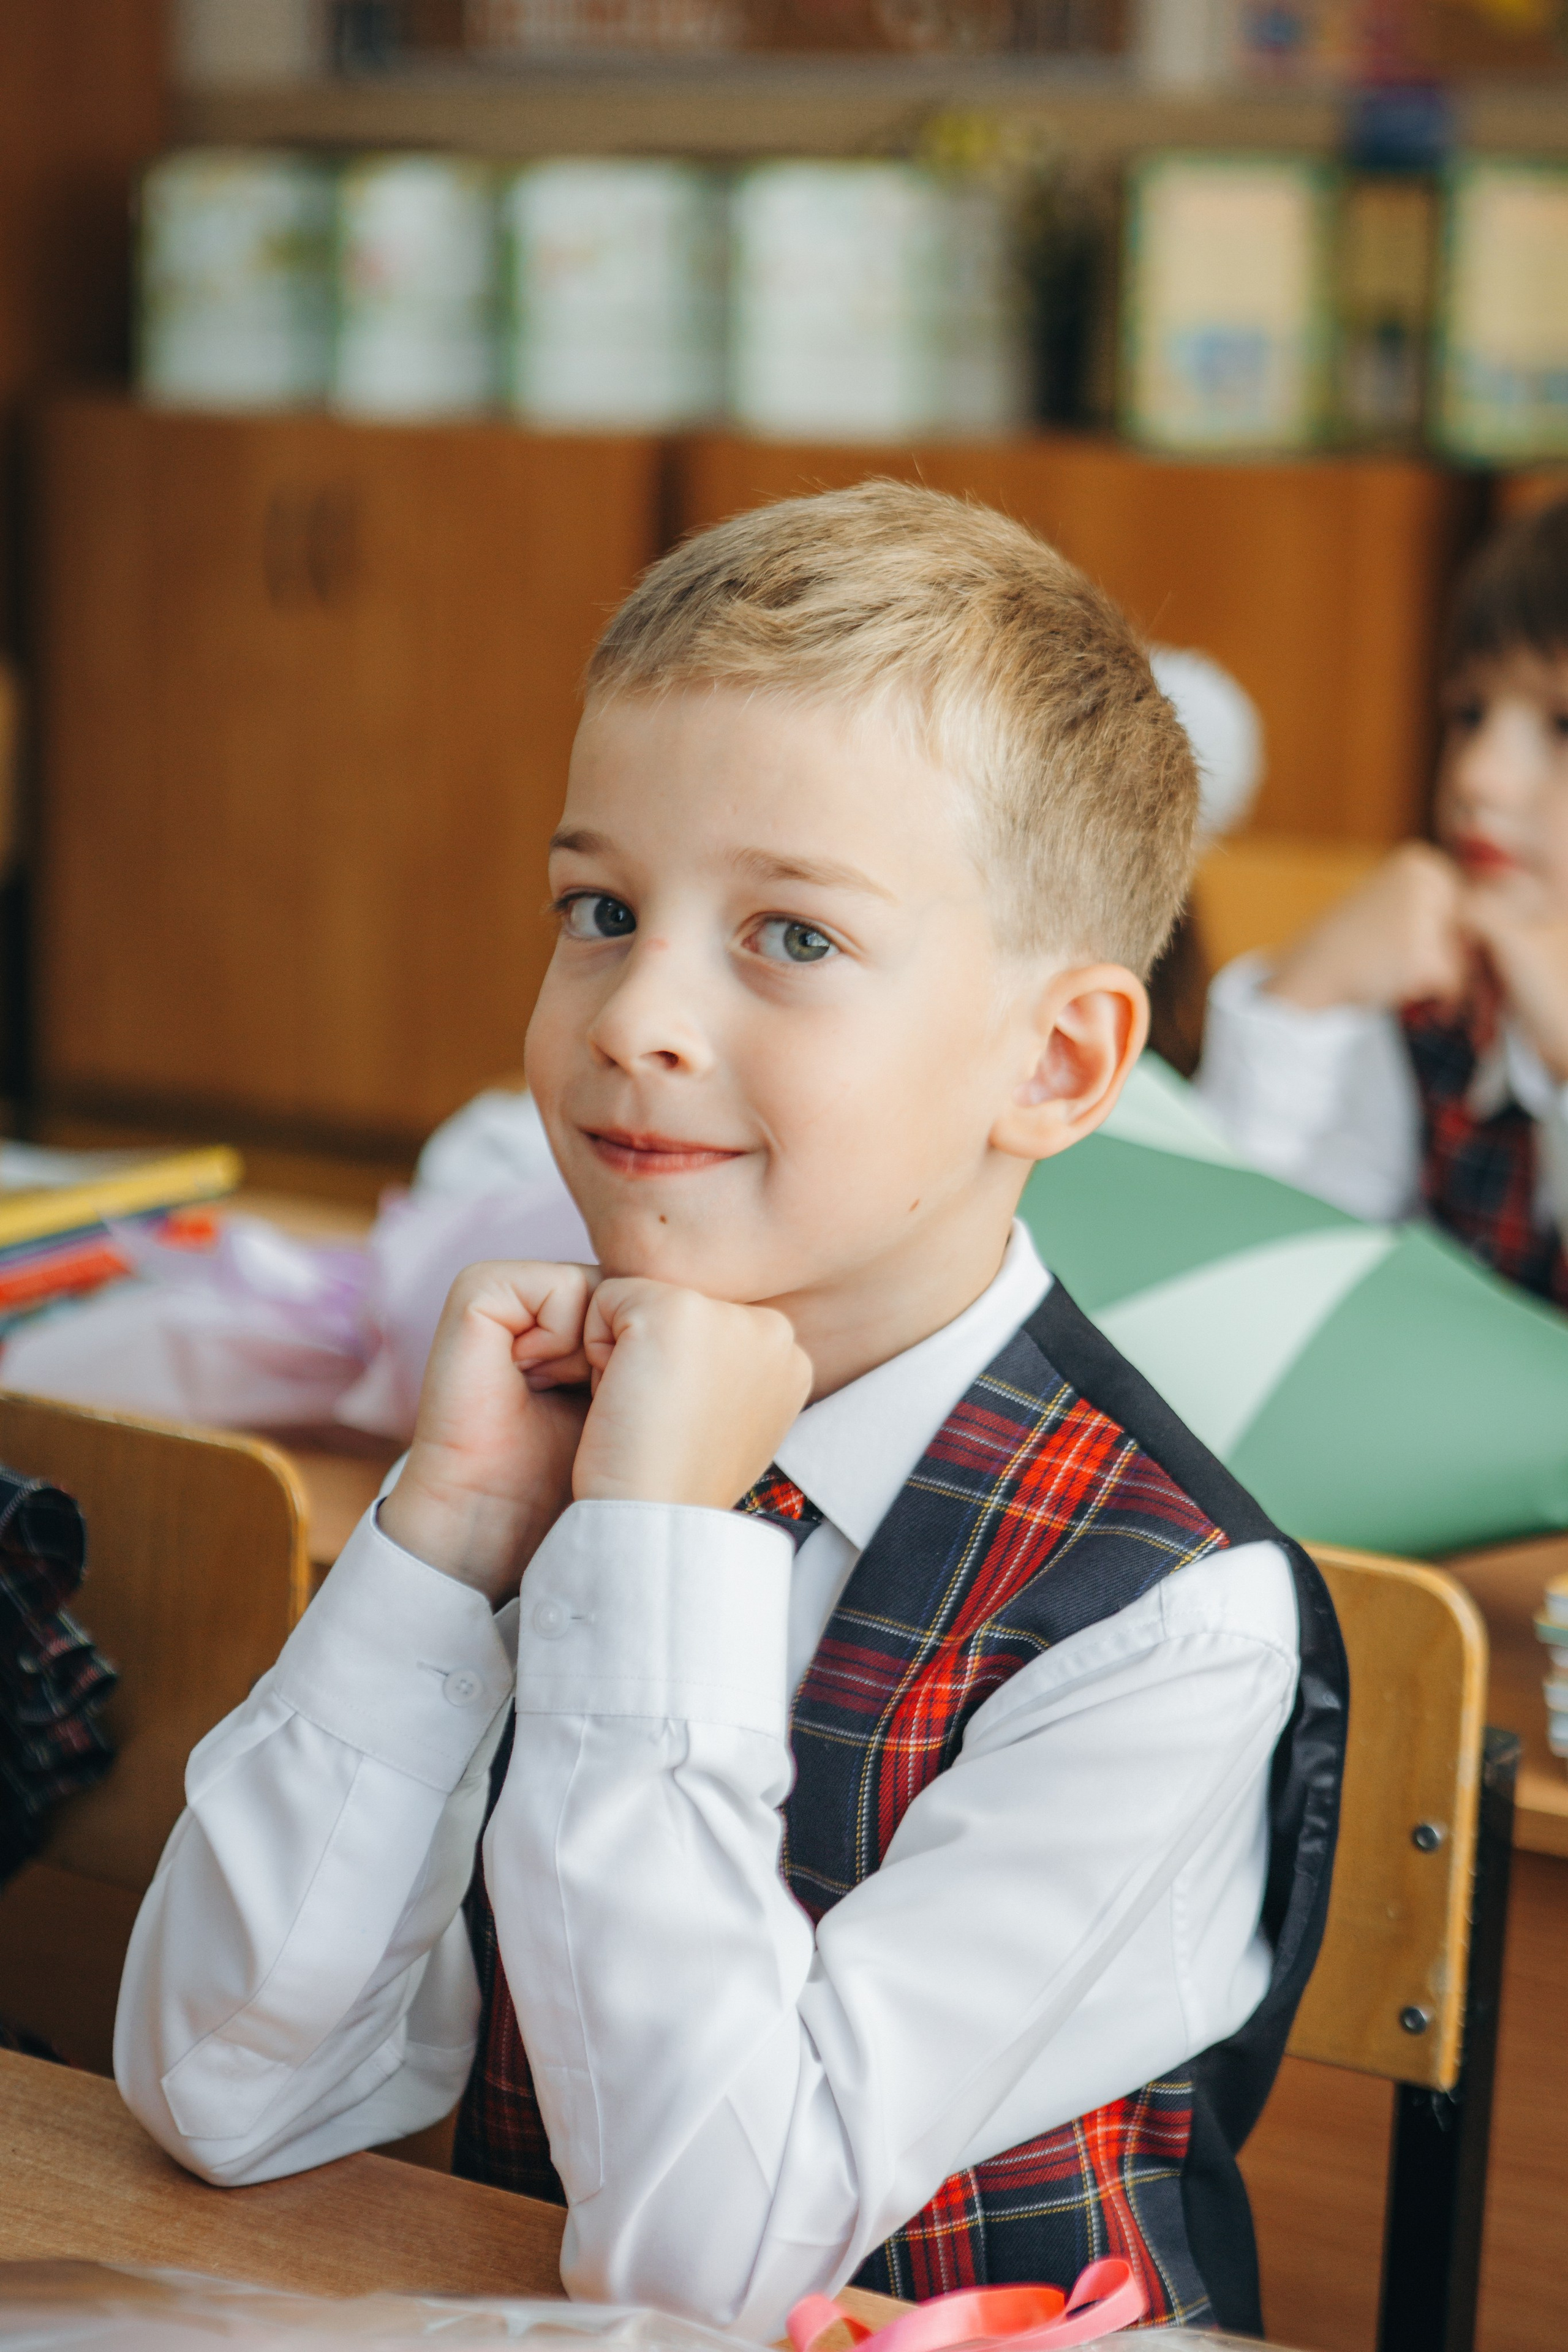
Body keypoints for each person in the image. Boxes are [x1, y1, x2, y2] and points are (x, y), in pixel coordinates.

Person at [114, 484, 1343, 2339]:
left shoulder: (1167, 1622)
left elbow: (708, 2258)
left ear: (1055, 1059)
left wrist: (648, 1560)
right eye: (600, 910)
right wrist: (446, 1540)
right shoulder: (548, 1425)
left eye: (793, 937)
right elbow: (224, 2092)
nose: (636, 1017)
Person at [1198, 496, 1568, 1305]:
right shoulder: (1439, 1015)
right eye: (1468, 715)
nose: (1478, 776)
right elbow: (1234, 1287)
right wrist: (1308, 992)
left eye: (1562, 725)